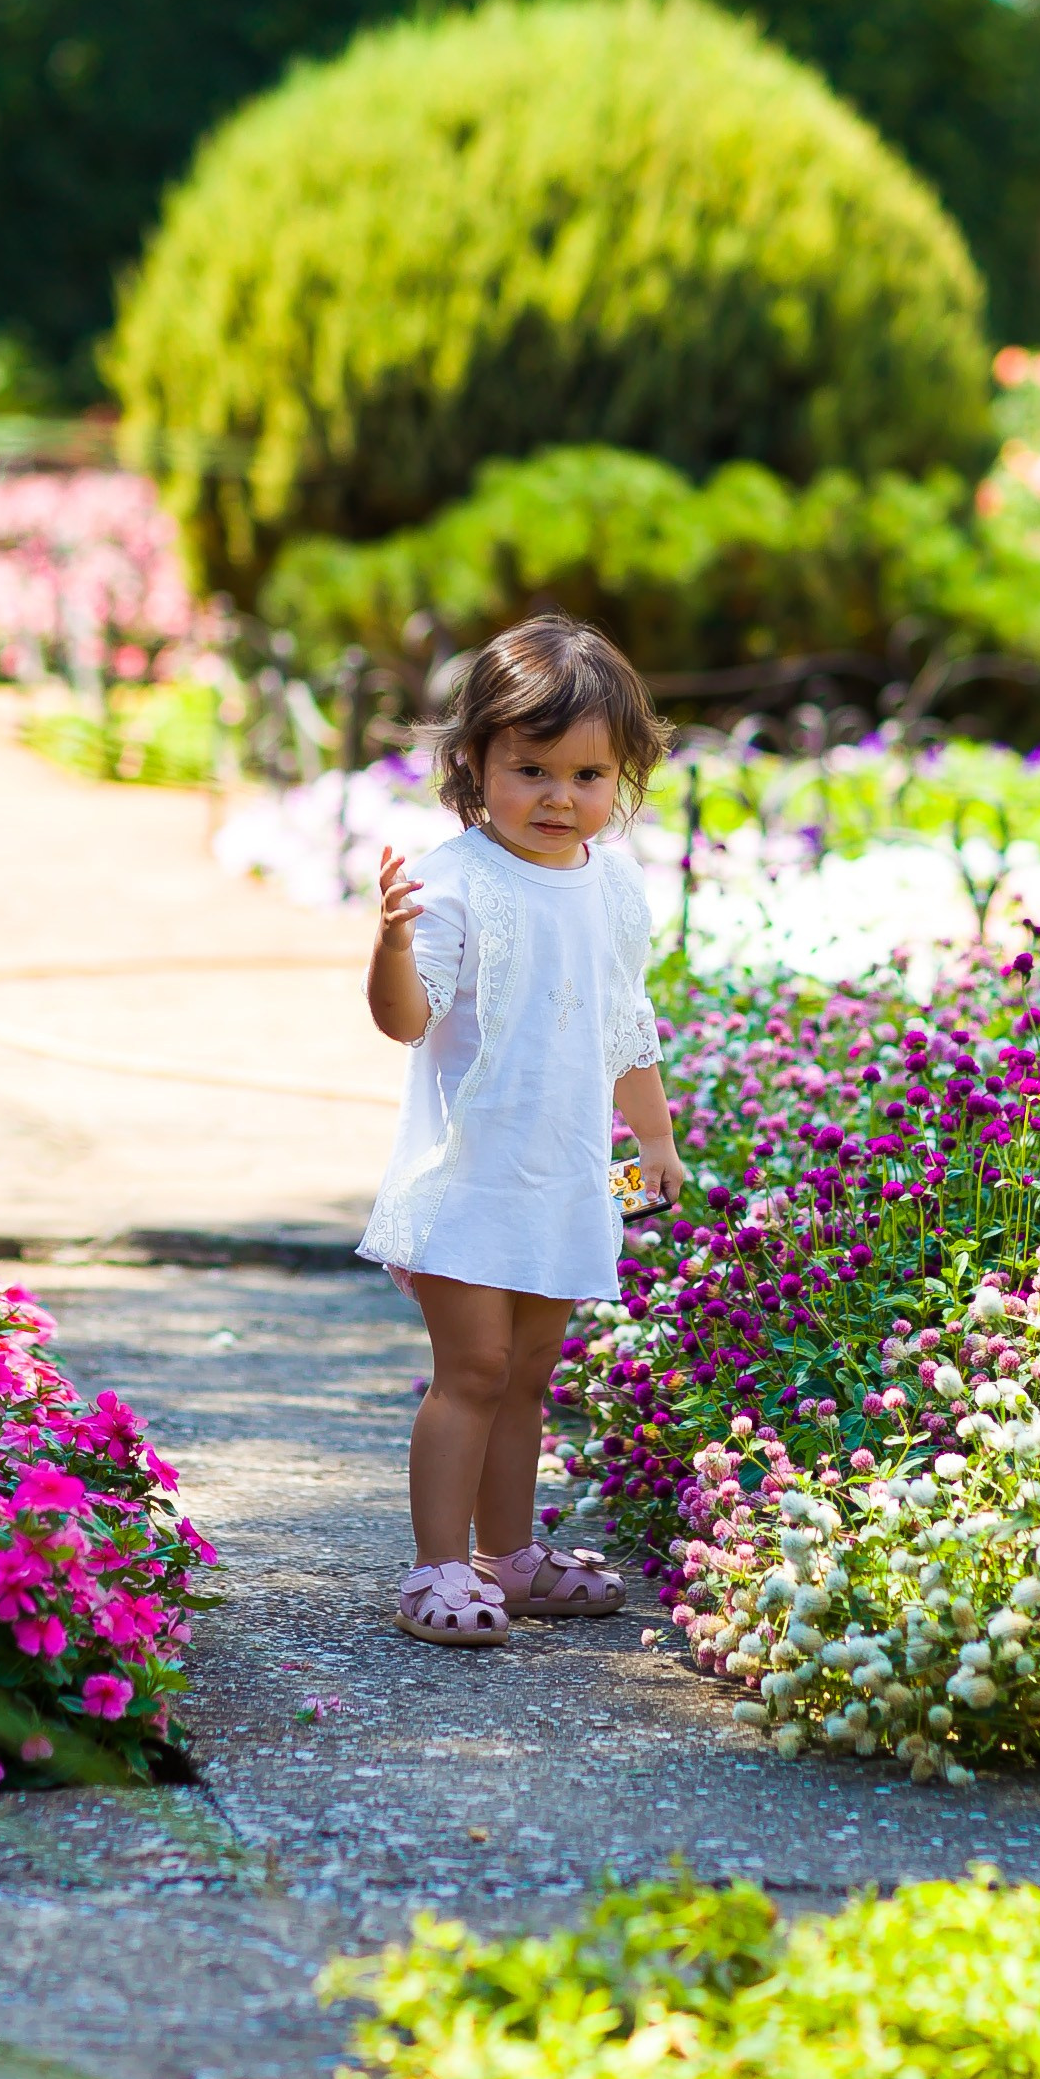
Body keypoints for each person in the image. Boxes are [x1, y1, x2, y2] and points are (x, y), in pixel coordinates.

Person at [362, 614, 685, 1648]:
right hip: (471, 1175)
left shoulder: (613, 885)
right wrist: (391, 941)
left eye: (587, 774)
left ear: (622, 776)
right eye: (530, 768)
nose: (558, 796)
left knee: (531, 1375)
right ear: (473, 765)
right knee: (471, 1371)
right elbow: (406, 1019)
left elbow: (620, 1025)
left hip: (564, 1174)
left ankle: (508, 1558)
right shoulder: (455, 882)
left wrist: (653, 1142)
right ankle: (437, 1568)